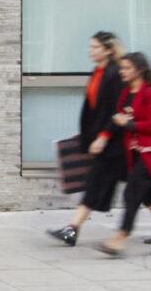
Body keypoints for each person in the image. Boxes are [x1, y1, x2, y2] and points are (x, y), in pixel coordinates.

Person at [99, 52, 151, 257]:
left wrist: (128, 124)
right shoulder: (127, 93)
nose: (123, 71)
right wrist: (103, 136)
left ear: (139, 70)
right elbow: (119, 118)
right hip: (136, 153)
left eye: (127, 68)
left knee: (132, 193)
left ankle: (120, 238)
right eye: (122, 68)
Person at [49, 31, 127, 246]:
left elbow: (115, 110)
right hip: (103, 140)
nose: (90, 51)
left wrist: (102, 137)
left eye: (95, 47)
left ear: (109, 49)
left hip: (114, 142)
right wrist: (87, 134)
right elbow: (94, 109)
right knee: (146, 190)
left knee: (96, 184)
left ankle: (72, 229)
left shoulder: (114, 73)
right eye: (90, 46)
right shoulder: (98, 72)